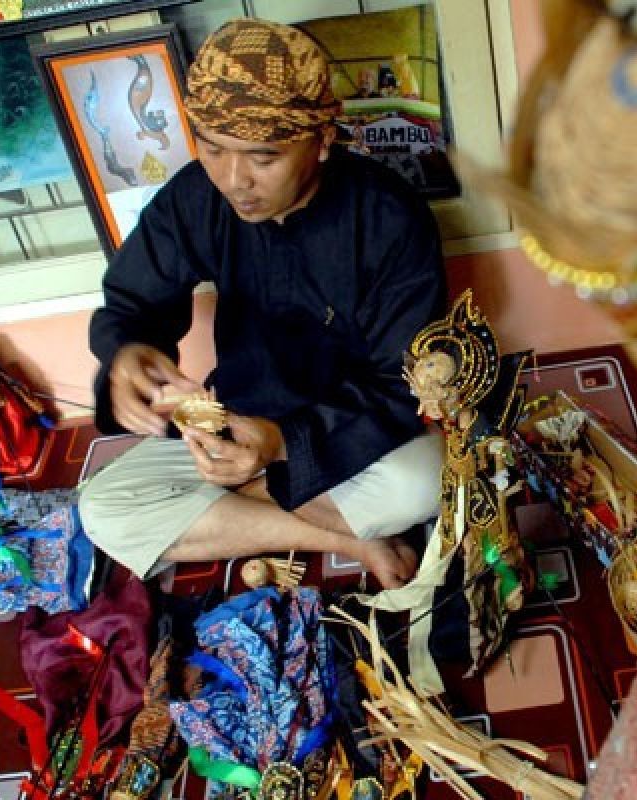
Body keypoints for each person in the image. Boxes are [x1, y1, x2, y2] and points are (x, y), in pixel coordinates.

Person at [78, 19, 447, 589]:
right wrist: (128, 353)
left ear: (322, 140)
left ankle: (243, 504)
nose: (233, 180)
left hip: (349, 438)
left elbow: (398, 385)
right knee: (103, 507)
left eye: (263, 157)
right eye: (213, 149)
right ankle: (345, 535)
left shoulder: (389, 221)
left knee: (422, 482)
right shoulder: (196, 195)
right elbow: (133, 300)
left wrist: (281, 446)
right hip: (234, 420)